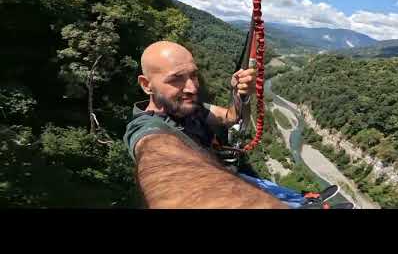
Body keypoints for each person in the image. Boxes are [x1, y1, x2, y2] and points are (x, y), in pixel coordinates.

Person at [123, 41, 341, 209]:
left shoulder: (188, 106)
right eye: (176, 79)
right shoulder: (147, 128)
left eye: (194, 75)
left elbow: (230, 117)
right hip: (220, 179)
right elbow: (161, 160)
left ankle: (304, 201)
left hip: (228, 173)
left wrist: (239, 94)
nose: (191, 87)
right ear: (146, 85)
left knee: (260, 184)